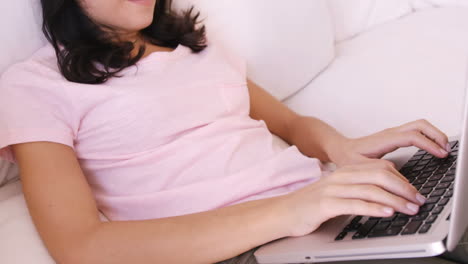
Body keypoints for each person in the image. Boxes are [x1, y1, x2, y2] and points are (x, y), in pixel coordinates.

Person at [0, 0, 464, 263]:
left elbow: (287, 123)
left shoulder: (191, 48)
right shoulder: (34, 85)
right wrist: (291, 211)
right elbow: (81, 248)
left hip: (325, 214)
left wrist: (346, 150)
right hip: (246, 249)